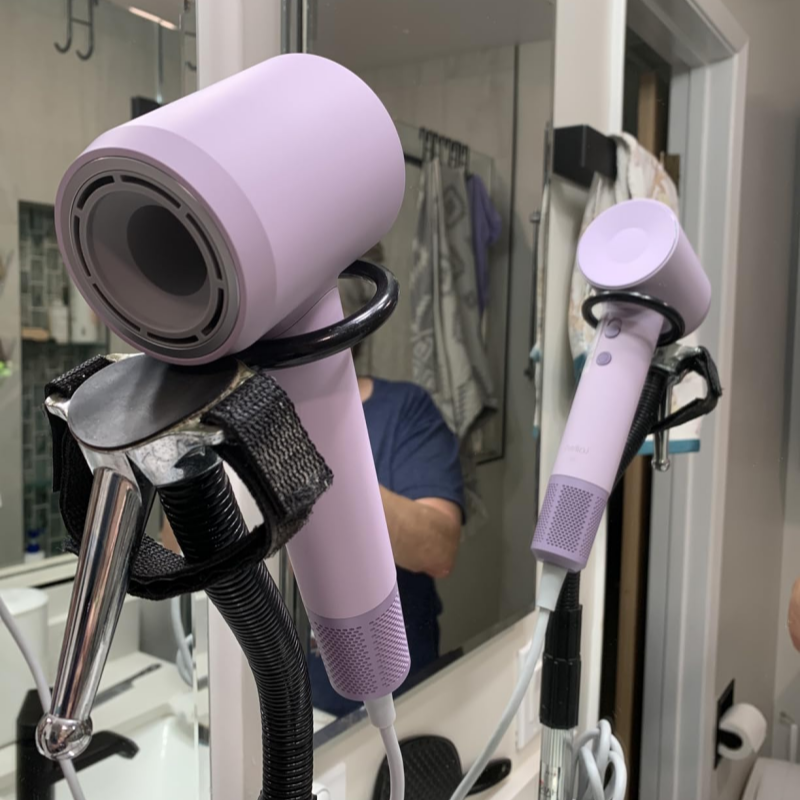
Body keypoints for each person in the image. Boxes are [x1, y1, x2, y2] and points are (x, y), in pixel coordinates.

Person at [308, 374, 464, 716]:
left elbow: (438, 551)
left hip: (394, 698)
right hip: (264, 701)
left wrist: (316, 468)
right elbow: (178, 551)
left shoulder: (405, 408)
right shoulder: (244, 415)